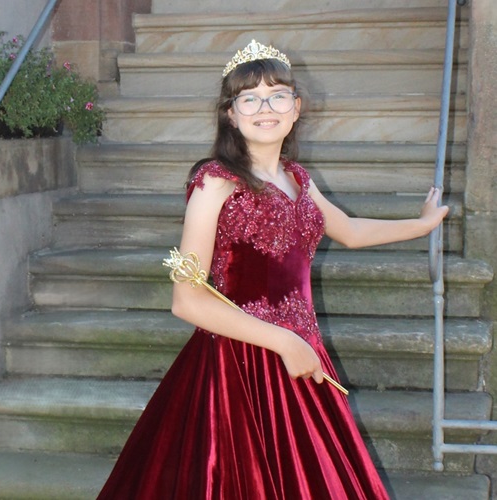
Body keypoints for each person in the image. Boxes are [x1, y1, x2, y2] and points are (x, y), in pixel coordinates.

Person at [97, 40, 449, 499]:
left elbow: (349, 230)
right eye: (250, 98)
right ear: (231, 114)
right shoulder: (214, 182)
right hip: (240, 365)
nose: (266, 108)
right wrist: (285, 341)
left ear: (296, 108)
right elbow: (186, 300)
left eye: (278, 95)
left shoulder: (297, 178)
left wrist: (421, 225)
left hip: (302, 358)